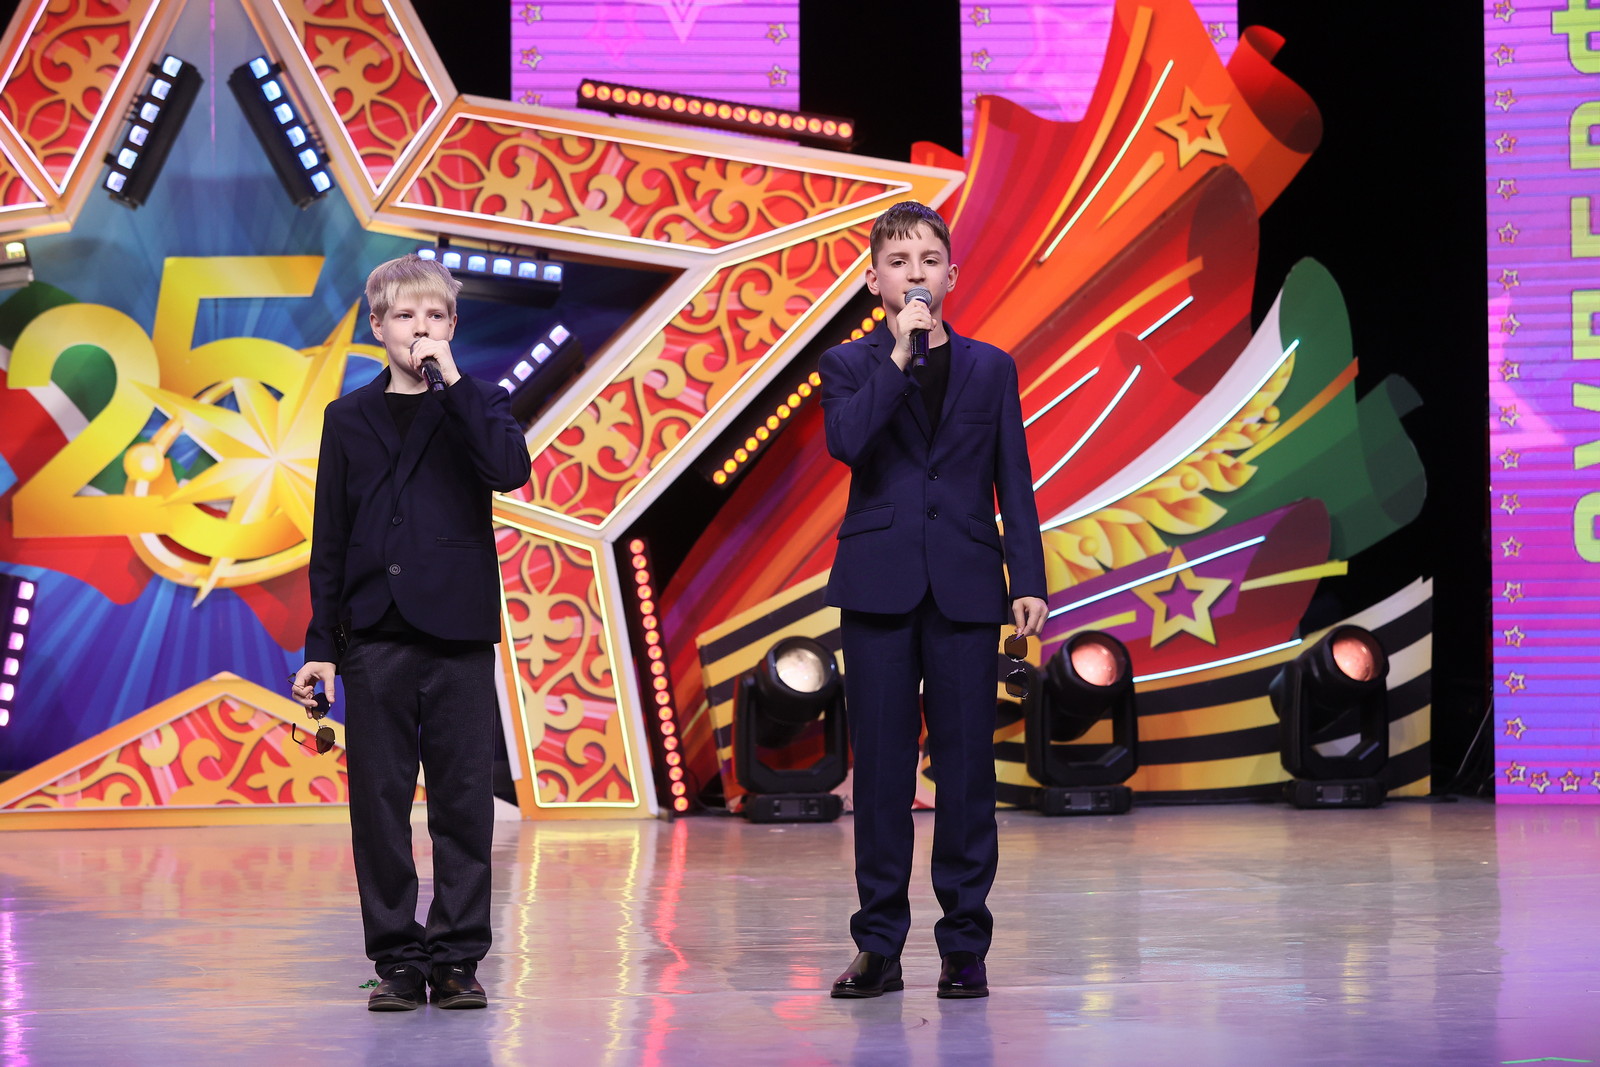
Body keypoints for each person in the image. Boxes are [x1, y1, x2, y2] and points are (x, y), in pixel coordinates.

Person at [820, 201, 1048, 999]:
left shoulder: (992, 367)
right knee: (882, 774)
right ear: (874, 279)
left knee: (966, 771)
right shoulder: (848, 365)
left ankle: (965, 945)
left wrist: (1029, 580)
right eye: (898, 261)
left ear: (952, 273)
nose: (914, 272)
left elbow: (1013, 477)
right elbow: (848, 442)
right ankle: (879, 944)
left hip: (966, 585)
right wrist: (898, 355)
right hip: (878, 585)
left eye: (928, 259)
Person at [292, 254, 531, 1011]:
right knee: (379, 804)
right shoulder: (347, 418)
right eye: (405, 315)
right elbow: (331, 538)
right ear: (378, 325)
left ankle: (457, 957)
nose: (419, 328)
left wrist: (453, 384)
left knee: (463, 803)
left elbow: (509, 469)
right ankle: (396, 957)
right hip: (373, 634)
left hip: (457, 630)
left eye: (434, 316)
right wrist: (321, 650)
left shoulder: (478, 401)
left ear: (452, 325)